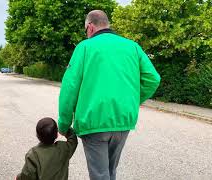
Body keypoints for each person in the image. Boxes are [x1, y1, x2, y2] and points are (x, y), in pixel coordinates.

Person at [58, 10, 161, 180]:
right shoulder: (132, 46)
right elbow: (153, 79)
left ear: (90, 27)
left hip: (94, 121)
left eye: (86, 30)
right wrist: (132, 100)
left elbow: (70, 87)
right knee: (110, 171)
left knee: (100, 175)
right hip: (123, 120)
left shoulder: (84, 47)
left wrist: (63, 123)